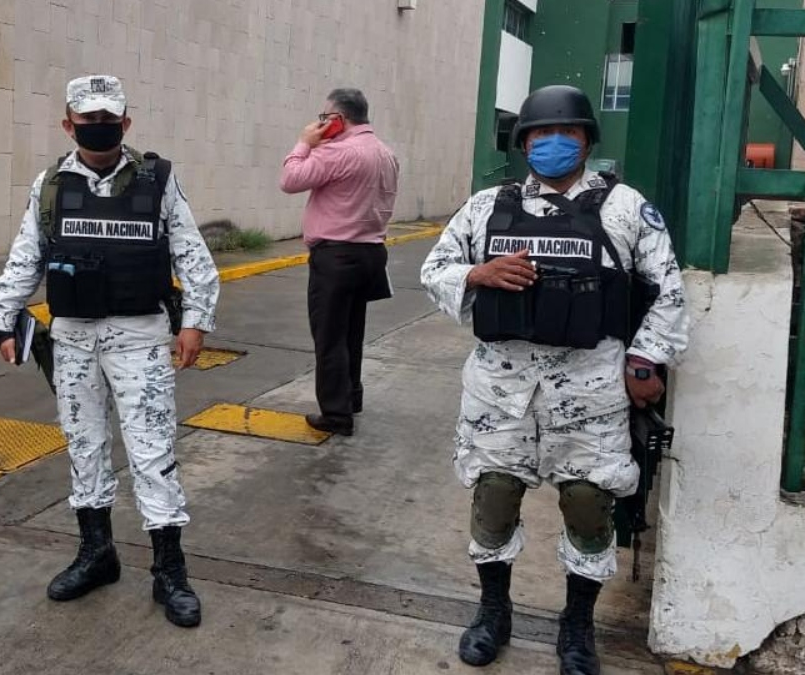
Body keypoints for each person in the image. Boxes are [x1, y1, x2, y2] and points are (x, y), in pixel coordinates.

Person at [419, 85, 688, 675]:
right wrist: (478, 273)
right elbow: (434, 268)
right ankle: (493, 611)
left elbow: (667, 289)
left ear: (588, 140)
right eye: (541, 134)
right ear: (524, 144)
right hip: (500, 391)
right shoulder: (487, 206)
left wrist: (646, 361)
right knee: (492, 496)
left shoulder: (625, 208)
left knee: (589, 504)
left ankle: (577, 626)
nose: (554, 143)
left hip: (591, 389)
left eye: (567, 133)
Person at [0, 75, 220, 628]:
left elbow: (192, 255)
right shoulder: (50, 185)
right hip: (72, 339)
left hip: (139, 335)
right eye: (87, 119)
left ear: (127, 121)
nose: (99, 127)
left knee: (150, 451)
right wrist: (2, 317)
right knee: (84, 445)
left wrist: (196, 322)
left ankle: (170, 570)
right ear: (68, 124)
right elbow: (27, 255)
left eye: (108, 118)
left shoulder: (158, 180)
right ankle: (97, 554)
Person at [279, 88, 399, 437]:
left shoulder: (337, 151)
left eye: (324, 117)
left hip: (336, 255)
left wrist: (304, 142)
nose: (320, 123)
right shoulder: (386, 153)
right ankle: (351, 396)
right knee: (351, 332)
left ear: (339, 120)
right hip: (371, 253)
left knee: (330, 337)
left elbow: (289, 180)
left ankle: (336, 413)